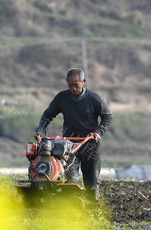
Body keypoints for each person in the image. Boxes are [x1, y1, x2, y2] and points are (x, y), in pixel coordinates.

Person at [34, 68, 113, 200]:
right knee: (70, 178)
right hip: (69, 145)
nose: (74, 88)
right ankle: (70, 208)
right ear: (66, 82)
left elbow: (108, 116)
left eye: (77, 85)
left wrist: (98, 132)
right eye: (70, 85)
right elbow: (48, 114)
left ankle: (92, 207)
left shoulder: (94, 99)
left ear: (84, 82)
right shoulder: (62, 98)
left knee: (91, 180)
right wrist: (41, 129)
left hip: (90, 143)